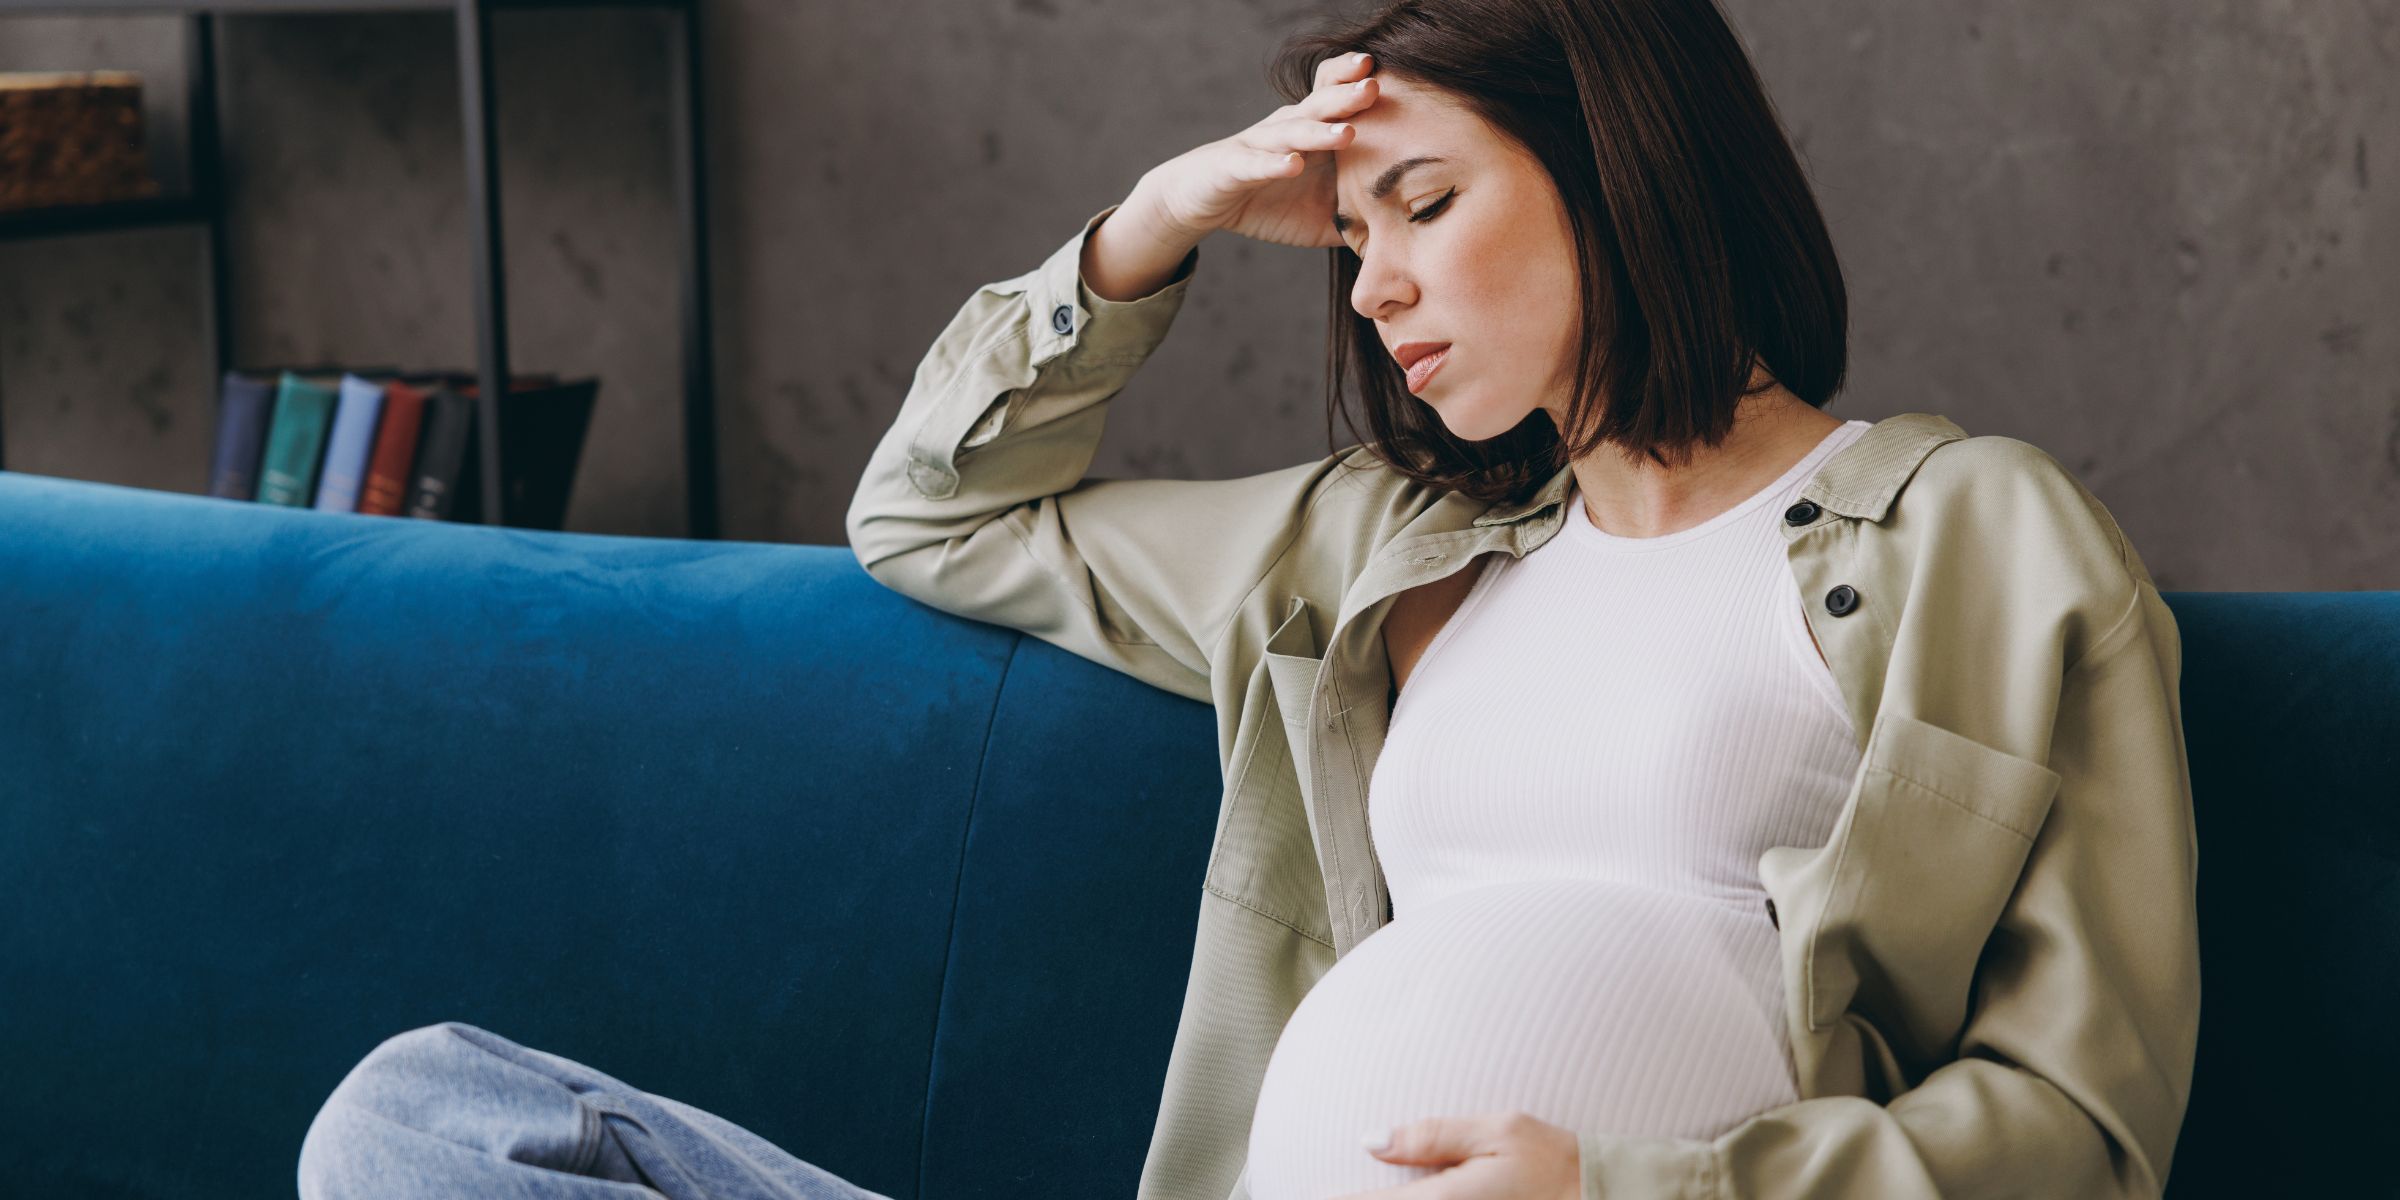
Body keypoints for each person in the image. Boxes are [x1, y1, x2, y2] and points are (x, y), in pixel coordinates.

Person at [299, 1, 2201, 1198]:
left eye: (1428, 205)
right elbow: (932, 514)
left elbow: (2079, 1131)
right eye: (1351, 235)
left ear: (1625, 163)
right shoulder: (1375, 548)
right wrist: (1165, 223)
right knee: (425, 1120)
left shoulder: (1985, 541)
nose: (1371, 283)